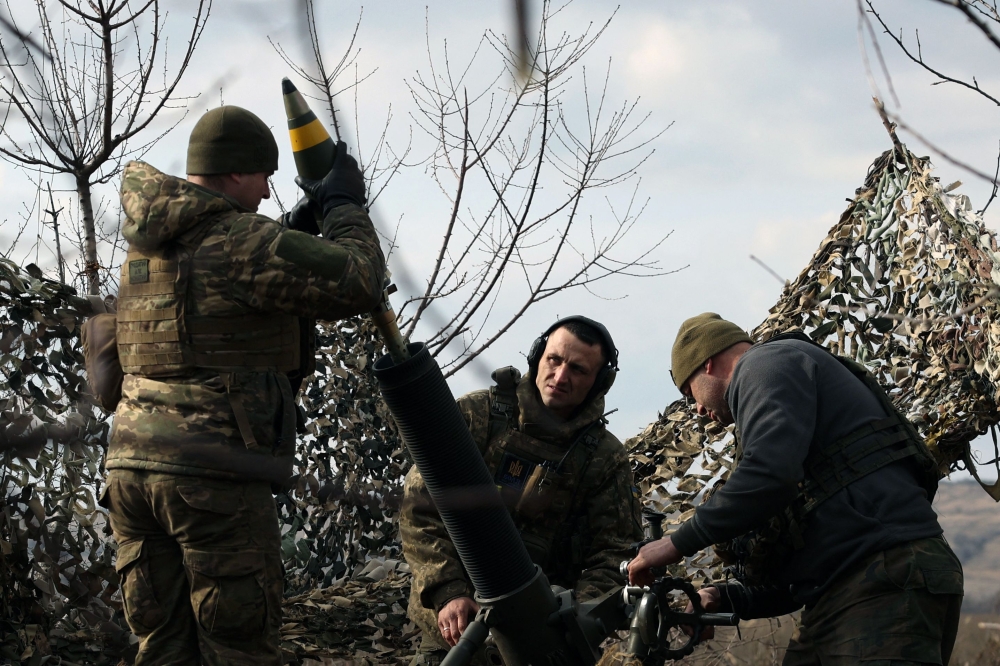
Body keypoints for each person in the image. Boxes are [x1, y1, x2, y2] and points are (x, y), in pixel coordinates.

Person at [97, 105, 386, 665]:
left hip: (131, 474)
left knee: (162, 647)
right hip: (213, 476)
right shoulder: (241, 240)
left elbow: (224, 293)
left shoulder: (150, 242)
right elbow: (360, 281)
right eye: (263, 174)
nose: (269, 188)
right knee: (239, 649)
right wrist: (345, 206)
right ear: (233, 173)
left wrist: (291, 234)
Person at [628, 313, 964, 665]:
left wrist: (673, 544)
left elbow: (769, 474)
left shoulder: (765, 363)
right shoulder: (780, 390)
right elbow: (798, 578)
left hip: (888, 579)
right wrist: (724, 597)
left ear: (708, 362)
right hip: (846, 589)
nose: (696, 408)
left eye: (689, 392)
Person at [400, 316, 643, 664]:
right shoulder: (477, 415)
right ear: (537, 356)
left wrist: (571, 620)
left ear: (599, 382)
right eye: (554, 361)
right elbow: (419, 508)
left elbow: (615, 554)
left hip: (538, 648)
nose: (560, 378)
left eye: (577, 369)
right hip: (452, 633)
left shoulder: (606, 460)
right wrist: (448, 591)